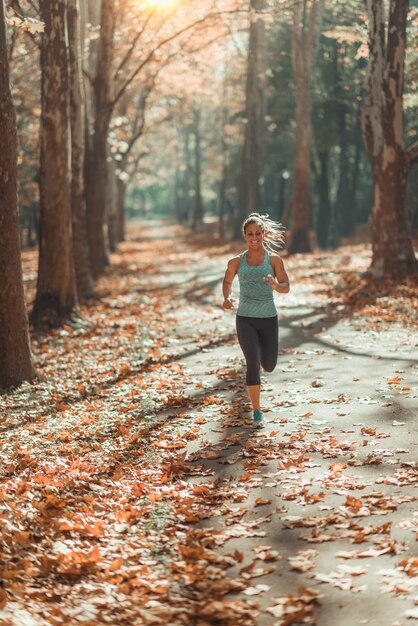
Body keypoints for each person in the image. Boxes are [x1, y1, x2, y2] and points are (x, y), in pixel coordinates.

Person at [222, 213, 290, 427]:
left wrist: (274, 285)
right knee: (252, 363)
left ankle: (262, 354)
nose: (254, 238)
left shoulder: (274, 260)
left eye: (258, 234)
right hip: (245, 319)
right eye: (250, 234)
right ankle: (257, 410)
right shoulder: (236, 261)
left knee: (268, 365)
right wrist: (226, 298)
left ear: (264, 234)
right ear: (244, 235)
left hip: (268, 318)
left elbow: (285, 287)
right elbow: (227, 280)